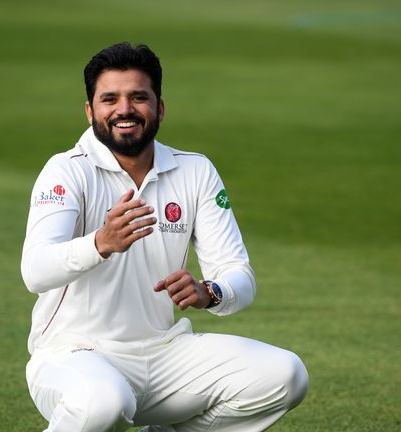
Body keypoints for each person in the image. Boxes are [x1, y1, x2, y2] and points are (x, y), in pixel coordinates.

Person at [21, 42, 308, 432]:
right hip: (73, 355)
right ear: (90, 111)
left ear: (160, 107)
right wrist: (101, 243)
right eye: (110, 99)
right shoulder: (66, 171)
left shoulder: (195, 171)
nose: (125, 109)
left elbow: (239, 274)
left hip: (164, 353)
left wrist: (211, 292)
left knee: (286, 375)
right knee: (103, 402)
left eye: (139, 97)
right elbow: (35, 271)